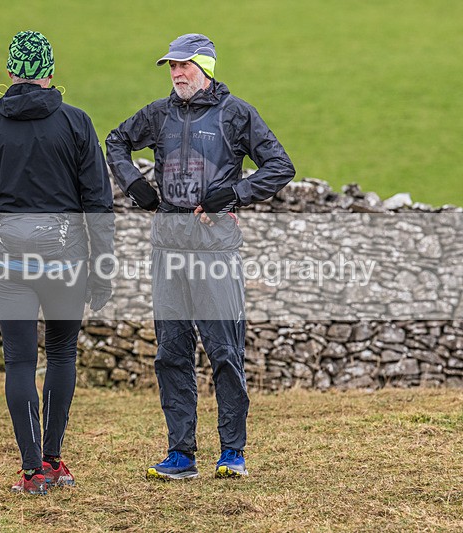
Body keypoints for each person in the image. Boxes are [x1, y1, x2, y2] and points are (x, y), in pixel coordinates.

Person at [106, 33, 295, 480]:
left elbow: (280, 166)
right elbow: (115, 142)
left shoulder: (236, 114)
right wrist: (136, 187)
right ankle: (181, 455)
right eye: (171, 67)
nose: (176, 74)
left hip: (216, 251)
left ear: (206, 67)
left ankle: (232, 453)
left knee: (224, 351)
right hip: (167, 250)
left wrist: (234, 194)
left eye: (183, 66)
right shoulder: (158, 114)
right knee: (171, 353)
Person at [0, 30, 114, 495]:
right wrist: (101, 269)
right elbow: (98, 205)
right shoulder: (77, 123)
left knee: (20, 362)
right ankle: (55, 459)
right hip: (67, 258)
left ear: (10, 72)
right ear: (50, 72)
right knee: (63, 353)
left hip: (9, 262)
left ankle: (31, 473)